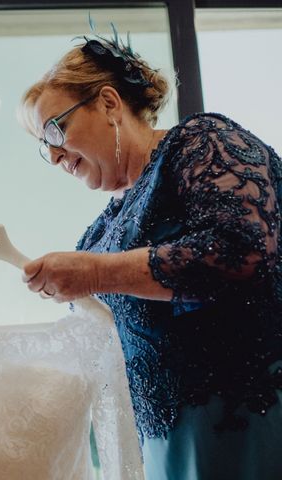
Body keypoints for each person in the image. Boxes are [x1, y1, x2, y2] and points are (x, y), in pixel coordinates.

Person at [18, 35, 282, 479]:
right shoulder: (98, 234)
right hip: (166, 448)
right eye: (43, 145)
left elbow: (243, 248)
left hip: (253, 420)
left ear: (107, 102)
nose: (55, 154)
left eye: (54, 130)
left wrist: (96, 274)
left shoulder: (200, 143)